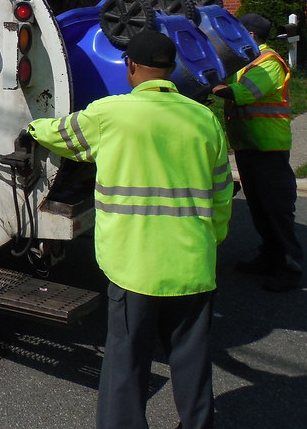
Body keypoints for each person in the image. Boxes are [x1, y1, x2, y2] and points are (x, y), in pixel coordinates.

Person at [28, 30, 231, 429]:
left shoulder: (111, 114)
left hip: (134, 267)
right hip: (193, 266)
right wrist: (211, 241)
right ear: (171, 70)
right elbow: (222, 194)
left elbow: (60, 134)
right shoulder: (204, 119)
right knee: (191, 363)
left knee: (126, 363)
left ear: (131, 67)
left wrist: (33, 127)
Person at [210, 13, 303, 292]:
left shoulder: (268, 63)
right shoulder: (249, 62)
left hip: (268, 148)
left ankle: (289, 267)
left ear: (249, 36)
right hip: (250, 146)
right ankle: (268, 256)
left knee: (276, 209)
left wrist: (213, 87)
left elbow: (244, 93)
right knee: (260, 207)